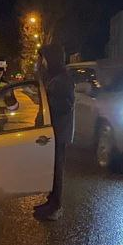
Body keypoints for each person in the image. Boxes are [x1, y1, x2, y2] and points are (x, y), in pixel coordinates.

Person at [34, 42, 74, 222]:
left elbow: (65, 106)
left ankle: (56, 206)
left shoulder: (62, 80)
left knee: (57, 170)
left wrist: (46, 100)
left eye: (44, 58)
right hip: (52, 131)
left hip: (58, 132)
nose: (42, 62)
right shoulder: (54, 77)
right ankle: (50, 201)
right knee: (51, 168)